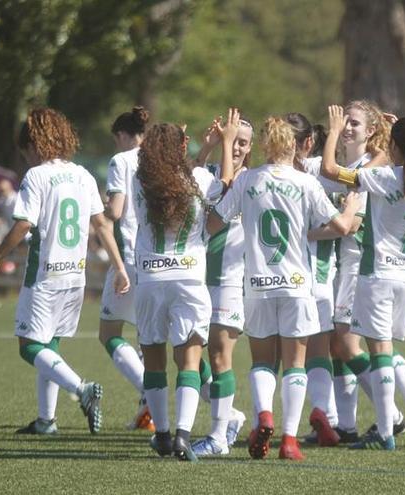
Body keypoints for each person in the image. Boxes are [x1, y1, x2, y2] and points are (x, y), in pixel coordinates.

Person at [207, 116, 361, 461]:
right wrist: (350, 205)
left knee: (263, 362)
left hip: (257, 284)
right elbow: (340, 226)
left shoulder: (247, 180)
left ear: (265, 145)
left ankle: (264, 416)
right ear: (293, 146)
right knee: (295, 364)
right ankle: (289, 440)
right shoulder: (305, 183)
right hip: (296, 284)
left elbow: (214, 222)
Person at [0, 107, 130, 435]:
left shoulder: (37, 176)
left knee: (29, 346)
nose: (26, 159)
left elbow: (22, 226)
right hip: (76, 275)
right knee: (50, 345)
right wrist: (119, 267)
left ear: (34, 144)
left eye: (25, 152)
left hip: (44, 275)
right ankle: (46, 421)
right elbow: (101, 224)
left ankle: (81, 388)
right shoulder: (83, 174)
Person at [320, 106, 405, 450]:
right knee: (383, 348)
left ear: (393, 147)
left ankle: (386, 432)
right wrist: (396, 134)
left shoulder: (384, 178)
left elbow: (329, 169)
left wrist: (333, 130)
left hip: (378, 271)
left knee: (378, 351)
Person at [133, 121, 234, 461]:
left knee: (155, 361)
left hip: (149, 279)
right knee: (189, 361)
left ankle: (161, 434)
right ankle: (182, 436)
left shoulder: (140, 181)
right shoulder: (200, 180)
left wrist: (197, 150)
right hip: (189, 278)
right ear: (181, 148)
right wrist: (225, 143)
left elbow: (170, 179)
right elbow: (226, 184)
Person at [190, 109, 252, 457]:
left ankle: (217, 437)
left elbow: (228, 194)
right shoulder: (210, 173)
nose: (238, 147)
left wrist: (226, 144)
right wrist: (208, 148)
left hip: (230, 279)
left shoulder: (252, 179)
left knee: (218, 354)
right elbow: (182, 178)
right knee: (185, 350)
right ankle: (230, 416)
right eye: (234, 140)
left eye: (243, 142)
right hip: (196, 276)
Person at [285, 111, 341, 447]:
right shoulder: (320, 172)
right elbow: (357, 175)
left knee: (281, 358)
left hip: (277, 279)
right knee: (319, 352)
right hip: (320, 278)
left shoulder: (262, 176)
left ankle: (275, 418)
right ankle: (326, 413)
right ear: (309, 143)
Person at [97, 105, 151, 432]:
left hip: (128, 257)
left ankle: (149, 390)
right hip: (156, 256)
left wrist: (98, 204)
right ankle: (149, 409)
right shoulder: (159, 157)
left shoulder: (121, 160)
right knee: (148, 339)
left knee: (109, 333)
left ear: (122, 135)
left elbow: (115, 212)